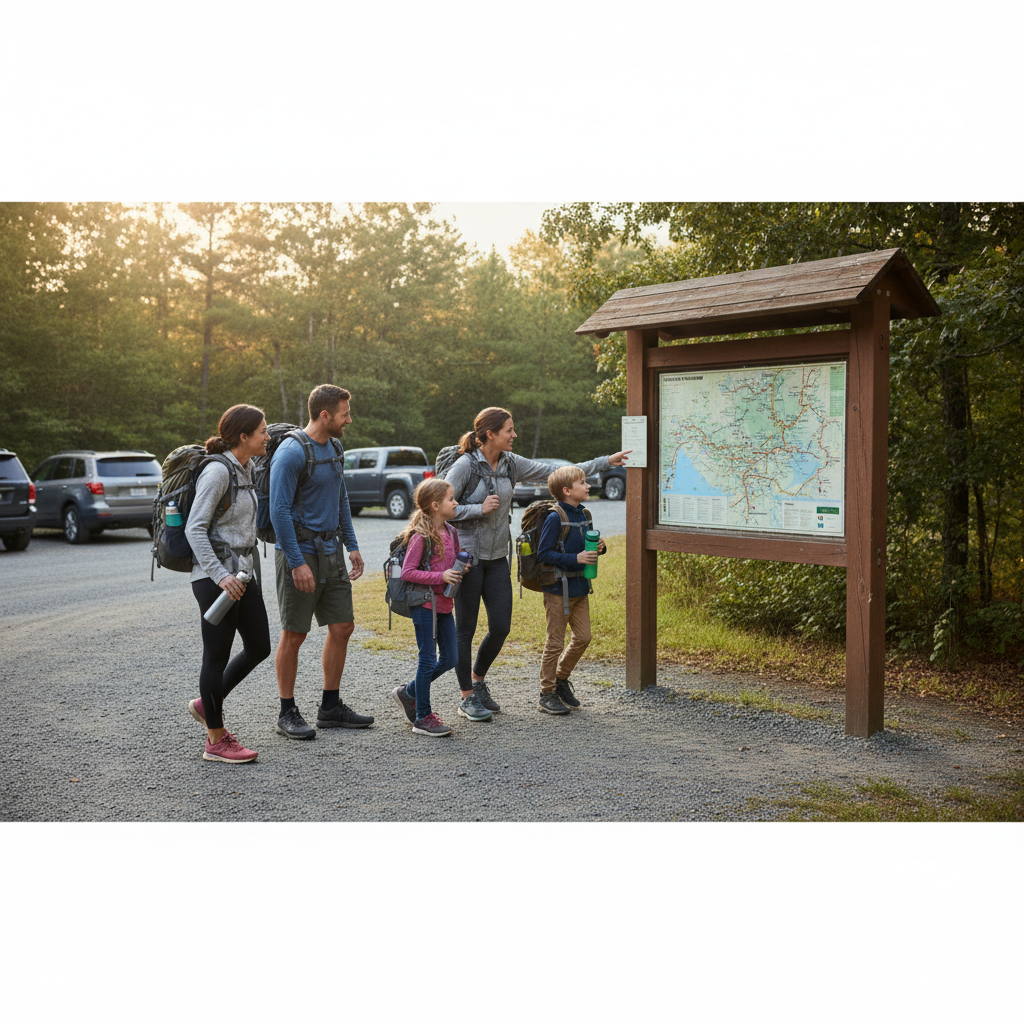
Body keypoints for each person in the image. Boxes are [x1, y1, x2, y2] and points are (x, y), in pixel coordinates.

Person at [445, 406, 630, 721]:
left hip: (497, 558)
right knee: (465, 629)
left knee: (501, 627)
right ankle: (466, 697)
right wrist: (477, 509)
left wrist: (604, 462)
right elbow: (439, 506)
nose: (514, 435)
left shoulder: (511, 464)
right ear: (490, 434)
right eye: (509, 430)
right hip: (467, 560)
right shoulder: (464, 467)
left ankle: (478, 681)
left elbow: (556, 472)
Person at [269, 384, 371, 739]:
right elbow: (278, 511)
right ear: (325, 415)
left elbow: (340, 496)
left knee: (342, 626)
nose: (349, 419)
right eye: (345, 413)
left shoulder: (336, 447)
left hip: (331, 551)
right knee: (294, 634)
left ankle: (330, 707)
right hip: (300, 553)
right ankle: (287, 712)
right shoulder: (291, 453)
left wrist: (352, 544)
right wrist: (296, 562)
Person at [186, 404, 272, 763]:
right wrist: (220, 576)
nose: (267, 436)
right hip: (215, 578)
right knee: (216, 656)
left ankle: (207, 703)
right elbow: (194, 528)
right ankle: (215, 740)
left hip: (241, 572)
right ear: (243, 437)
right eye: (263, 431)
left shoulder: (247, 467)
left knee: (260, 646)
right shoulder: (218, 473)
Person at [390, 479, 464, 737]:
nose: (455, 502)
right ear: (435, 506)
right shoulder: (420, 536)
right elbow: (409, 572)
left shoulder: (451, 532)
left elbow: (449, 564)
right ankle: (422, 716)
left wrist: (460, 568)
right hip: (424, 605)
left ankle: (408, 692)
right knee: (428, 659)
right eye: (450, 499)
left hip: (444, 604)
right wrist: (441, 577)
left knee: (451, 659)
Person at [535, 465, 606, 714]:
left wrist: (600, 548)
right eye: (583, 483)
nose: (588, 486)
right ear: (567, 490)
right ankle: (547, 693)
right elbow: (544, 554)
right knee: (555, 642)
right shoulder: (555, 517)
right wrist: (576, 558)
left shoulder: (584, 513)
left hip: (580, 587)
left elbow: (586, 544)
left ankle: (561, 679)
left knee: (584, 637)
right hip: (557, 589)